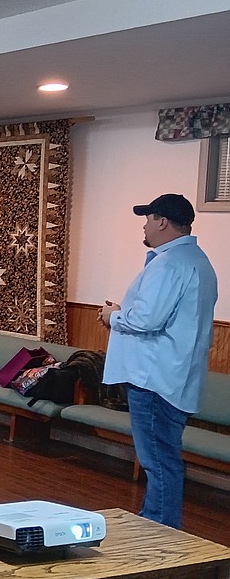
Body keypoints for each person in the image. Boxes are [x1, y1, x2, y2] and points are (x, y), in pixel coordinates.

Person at [99, 193, 217, 529]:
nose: (145, 225)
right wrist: (128, 314)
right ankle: (158, 521)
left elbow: (147, 320)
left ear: (162, 221)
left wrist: (113, 317)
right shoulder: (197, 260)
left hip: (156, 379)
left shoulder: (169, 263)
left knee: (158, 459)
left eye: (148, 218)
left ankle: (160, 525)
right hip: (175, 376)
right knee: (163, 455)